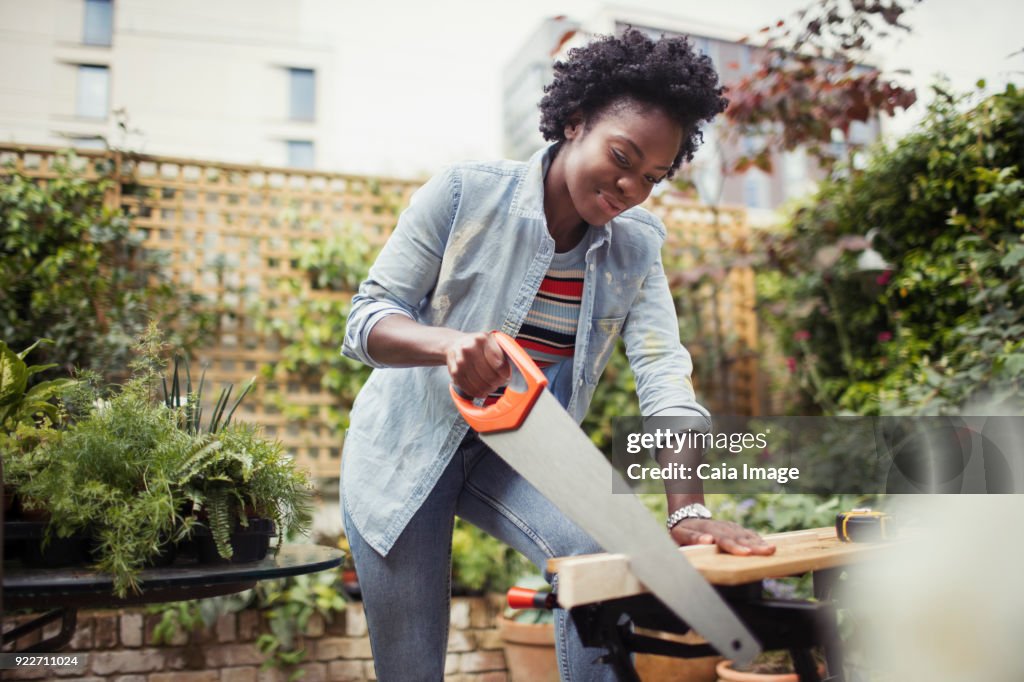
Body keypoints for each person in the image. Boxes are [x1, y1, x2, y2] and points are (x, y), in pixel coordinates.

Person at [340, 28, 775, 681]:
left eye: (652, 177)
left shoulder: (636, 249)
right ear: (575, 122)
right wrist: (452, 345)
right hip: (403, 450)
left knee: (602, 550)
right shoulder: (464, 195)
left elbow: (664, 375)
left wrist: (687, 509)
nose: (630, 186)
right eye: (622, 156)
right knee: (412, 670)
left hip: (518, 449)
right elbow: (366, 320)